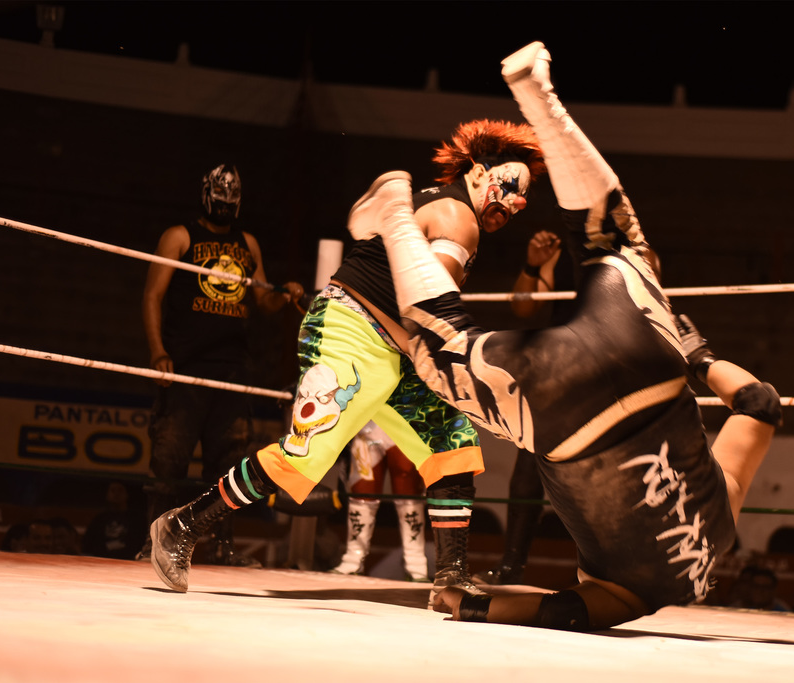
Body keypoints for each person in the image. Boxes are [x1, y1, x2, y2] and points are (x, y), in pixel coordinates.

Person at [347, 41, 781, 632]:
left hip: (648, 361)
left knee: (616, 239)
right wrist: (471, 605)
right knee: (442, 351)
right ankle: (395, 214)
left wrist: (696, 355)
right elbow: (562, 610)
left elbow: (760, 404)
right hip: (565, 417)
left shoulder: (722, 528)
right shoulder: (634, 595)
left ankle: (539, 92)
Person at [147, 123, 546, 606]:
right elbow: (430, 308)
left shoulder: (442, 205)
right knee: (304, 455)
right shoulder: (458, 217)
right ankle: (181, 525)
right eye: (511, 185)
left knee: (452, 445)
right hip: (351, 333)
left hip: (394, 349)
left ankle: (451, 577)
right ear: (479, 173)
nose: (517, 202)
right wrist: (480, 367)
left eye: (524, 197)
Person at [137, 163, 305, 567]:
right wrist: (158, 352)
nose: (225, 206)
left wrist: (284, 294)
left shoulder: (248, 244)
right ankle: (151, 544)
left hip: (232, 370)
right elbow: (152, 295)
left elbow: (262, 301)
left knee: (228, 463)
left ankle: (221, 546)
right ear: (206, 195)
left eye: (232, 200)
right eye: (220, 198)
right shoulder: (180, 236)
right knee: (169, 460)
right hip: (185, 366)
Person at [475, 229, 565, 586]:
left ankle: (612, 573)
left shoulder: (629, 251)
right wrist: (533, 266)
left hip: (608, 370)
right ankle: (512, 565)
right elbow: (524, 307)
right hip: (560, 368)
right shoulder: (562, 253)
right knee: (529, 466)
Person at [332, 420, 429, 582]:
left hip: (405, 420)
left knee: (409, 495)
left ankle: (416, 566)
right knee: (362, 492)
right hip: (368, 422)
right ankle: (352, 561)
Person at [83, 481, 149, 560]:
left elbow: (139, 543)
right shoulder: (100, 519)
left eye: (120, 490)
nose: (116, 494)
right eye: (113, 490)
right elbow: (89, 544)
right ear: (107, 495)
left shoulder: (137, 519)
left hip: (128, 561)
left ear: (127, 494)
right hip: (102, 560)